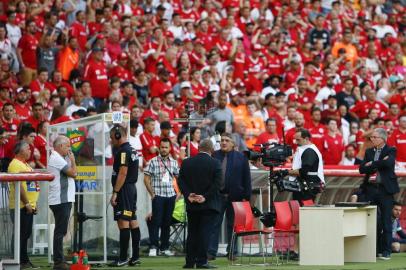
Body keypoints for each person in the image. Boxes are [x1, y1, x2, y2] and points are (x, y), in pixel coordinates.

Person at [177, 139, 222, 269]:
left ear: (199, 148)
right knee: (204, 233)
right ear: (211, 150)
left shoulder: (187, 162)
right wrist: (205, 197)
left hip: (192, 204)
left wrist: (188, 194)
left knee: (192, 233)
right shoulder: (215, 163)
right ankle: (202, 261)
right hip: (209, 205)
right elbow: (217, 184)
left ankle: (190, 261)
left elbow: (180, 181)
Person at [208, 133, 251, 260]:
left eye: (227, 140)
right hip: (217, 196)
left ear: (233, 143)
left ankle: (232, 251)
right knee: (214, 224)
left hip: (235, 197)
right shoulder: (214, 156)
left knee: (233, 226)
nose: (224, 143)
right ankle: (211, 252)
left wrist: (246, 197)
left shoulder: (241, 157)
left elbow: (246, 178)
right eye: (222, 140)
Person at [359, 128, 399, 260]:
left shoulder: (391, 149)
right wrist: (377, 164)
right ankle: (373, 250)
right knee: (371, 221)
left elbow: (388, 163)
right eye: (371, 137)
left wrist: (373, 163)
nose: (372, 139)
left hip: (385, 190)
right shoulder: (369, 151)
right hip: (370, 189)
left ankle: (386, 250)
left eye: (374, 137)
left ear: (382, 138)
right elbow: (362, 169)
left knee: (386, 220)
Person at [109, 124, 141, 267]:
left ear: (117, 136)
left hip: (124, 191)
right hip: (130, 189)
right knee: (133, 220)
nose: (111, 141)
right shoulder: (132, 149)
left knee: (123, 222)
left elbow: (123, 173)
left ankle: (122, 258)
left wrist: (115, 192)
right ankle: (135, 257)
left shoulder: (123, 151)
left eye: (111, 137)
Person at [144, 138, 179, 257]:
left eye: (166, 147)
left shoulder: (174, 162)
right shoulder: (152, 161)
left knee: (166, 223)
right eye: (162, 147)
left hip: (170, 196)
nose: (164, 149)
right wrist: (152, 194)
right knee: (155, 222)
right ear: (159, 148)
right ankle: (153, 246)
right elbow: (146, 179)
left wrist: (178, 193)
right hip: (158, 195)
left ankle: (164, 247)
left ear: (170, 148)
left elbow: (178, 178)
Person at [8, 141, 39, 269]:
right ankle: (17, 261)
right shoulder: (15, 164)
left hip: (28, 205)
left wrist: (33, 203)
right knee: (20, 234)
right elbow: (19, 185)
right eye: (28, 149)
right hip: (20, 205)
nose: (30, 151)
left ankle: (24, 260)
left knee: (25, 234)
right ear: (20, 151)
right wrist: (27, 203)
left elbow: (30, 185)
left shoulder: (24, 164)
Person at [47, 136, 77, 270]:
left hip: (62, 199)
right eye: (67, 146)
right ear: (60, 146)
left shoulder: (58, 158)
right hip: (61, 200)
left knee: (61, 231)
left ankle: (60, 260)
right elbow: (74, 173)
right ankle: (58, 262)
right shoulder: (57, 158)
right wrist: (73, 161)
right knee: (60, 231)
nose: (69, 148)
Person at [287, 128, 325, 203]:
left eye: (298, 140)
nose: (296, 142)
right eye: (295, 140)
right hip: (308, 185)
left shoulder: (309, 151)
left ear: (306, 139)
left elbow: (303, 171)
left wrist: (286, 172)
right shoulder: (306, 149)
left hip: (307, 187)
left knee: (304, 211)